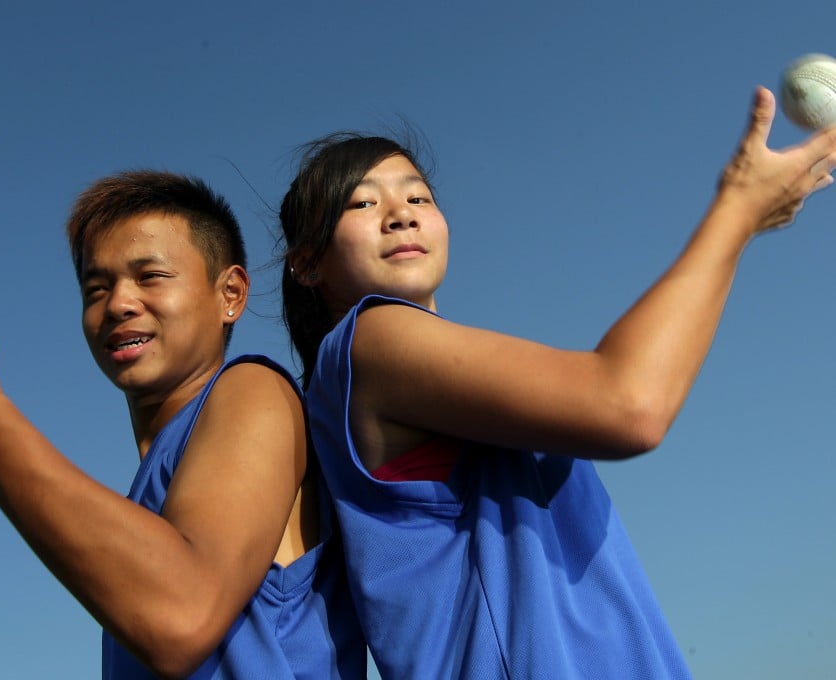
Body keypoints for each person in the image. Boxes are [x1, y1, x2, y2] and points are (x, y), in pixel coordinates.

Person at [277, 87, 836, 679]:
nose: (402, 212)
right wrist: (737, 213)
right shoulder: (370, 342)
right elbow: (628, 404)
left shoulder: (430, 375)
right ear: (307, 262)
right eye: (362, 205)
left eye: (418, 194)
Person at [0, 171, 365, 679]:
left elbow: (183, 613)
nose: (119, 303)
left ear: (230, 294)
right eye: (95, 289)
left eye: (150, 276)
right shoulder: (151, 492)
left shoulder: (252, 389)